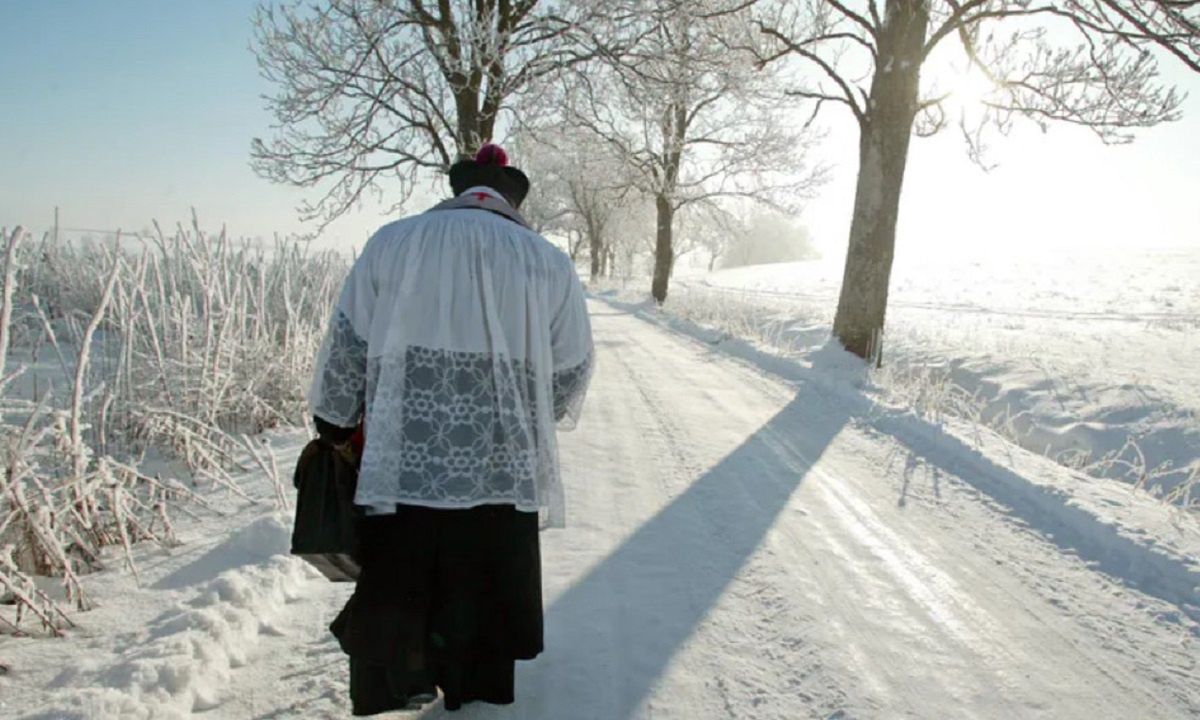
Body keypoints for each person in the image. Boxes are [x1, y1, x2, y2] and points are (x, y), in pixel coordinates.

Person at [308, 143, 594, 716]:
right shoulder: (546, 261)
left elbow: (348, 340)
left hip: (403, 449)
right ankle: (472, 682)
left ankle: (403, 674)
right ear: (510, 196)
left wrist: (335, 418)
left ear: (460, 189)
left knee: (405, 563)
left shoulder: (393, 242)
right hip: (502, 459)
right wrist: (535, 417)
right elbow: (573, 364)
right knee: (484, 570)